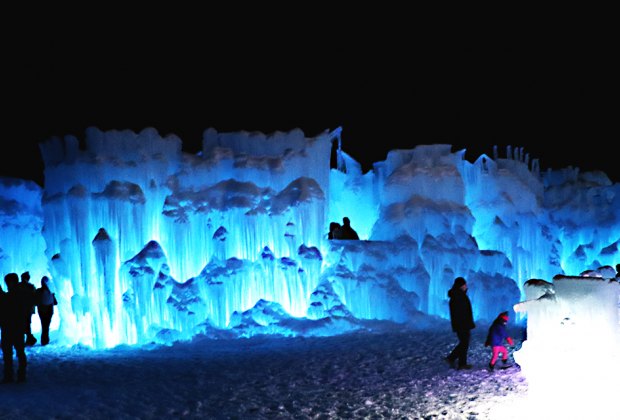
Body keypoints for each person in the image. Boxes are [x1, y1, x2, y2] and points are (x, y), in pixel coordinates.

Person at [1, 273, 29, 383]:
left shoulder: (16, 295)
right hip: (15, 328)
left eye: (8, 282)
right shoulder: (19, 294)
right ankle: (18, 374)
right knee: (17, 352)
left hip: (12, 328)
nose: (7, 284)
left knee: (13, 352)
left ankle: (13, 375)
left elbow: (7, 305)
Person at [445, 276, 475, 369]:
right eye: (464, 284)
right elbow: (460, 312)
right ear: (460, 286)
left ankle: (461, 362)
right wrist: (465, 323)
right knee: (464, 343)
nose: (466, 286)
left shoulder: (459, 295)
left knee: (464, 342)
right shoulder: (458, 296)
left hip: (462, 324)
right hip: (462, 324)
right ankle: (452, 358)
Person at [35, 276, 57, 346]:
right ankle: (45, 340)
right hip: (48, 309)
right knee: (46, 325)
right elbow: (55, 302)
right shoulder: (51, 291)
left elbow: (36, 301)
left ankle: (44, 340)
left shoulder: (38, 291)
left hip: (42, 309)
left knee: (44, 325)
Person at [19, 271, 37, 346]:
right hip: (28, 309)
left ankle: (27, 339)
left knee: (22, 324)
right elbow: (35, 298)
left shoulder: (19, 286)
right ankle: (28, 339)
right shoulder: (31, 286)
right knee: (27, 324)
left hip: (22, 309)